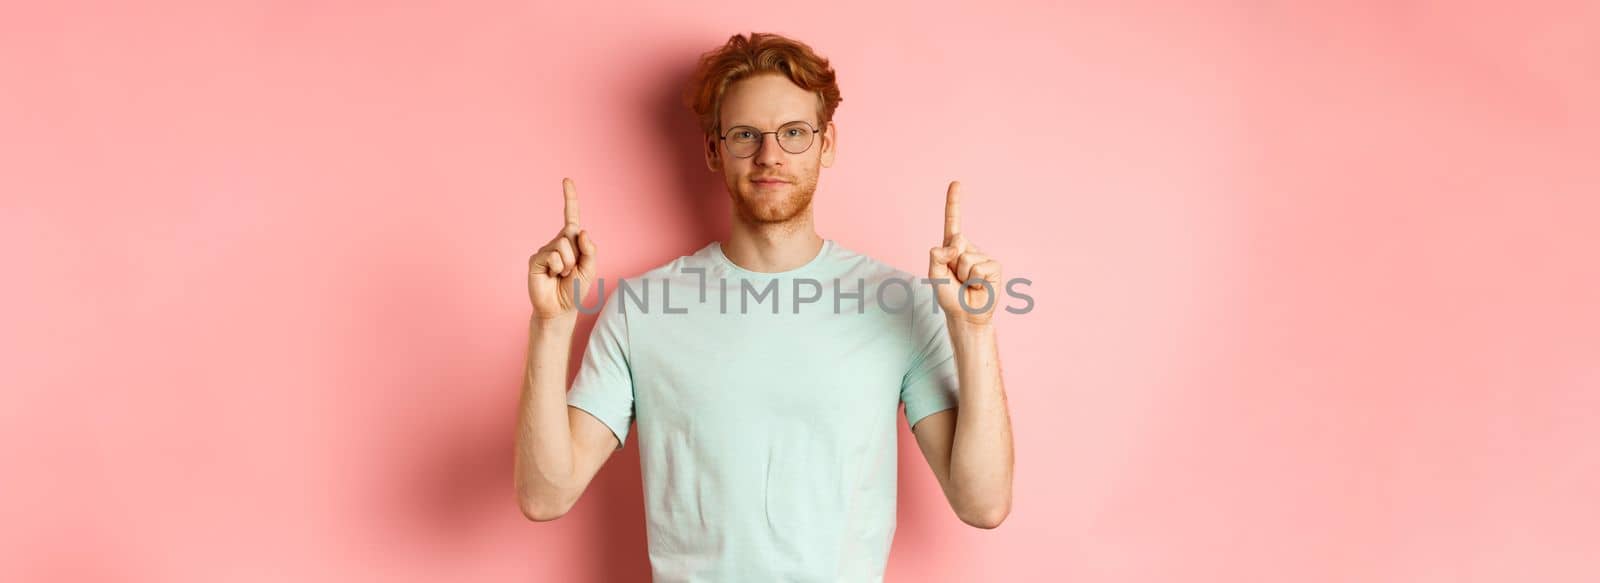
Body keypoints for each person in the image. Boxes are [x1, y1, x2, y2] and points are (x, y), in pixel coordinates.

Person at [514, 32, 1014, 582]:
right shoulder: (642, 309)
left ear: (826, 144)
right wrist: (551, 325)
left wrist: (973, 330)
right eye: (746, 134)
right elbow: (545, 495)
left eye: (794, 132)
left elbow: (982, 503)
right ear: (714, 149)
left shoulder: (901, 305)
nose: (769, 155)